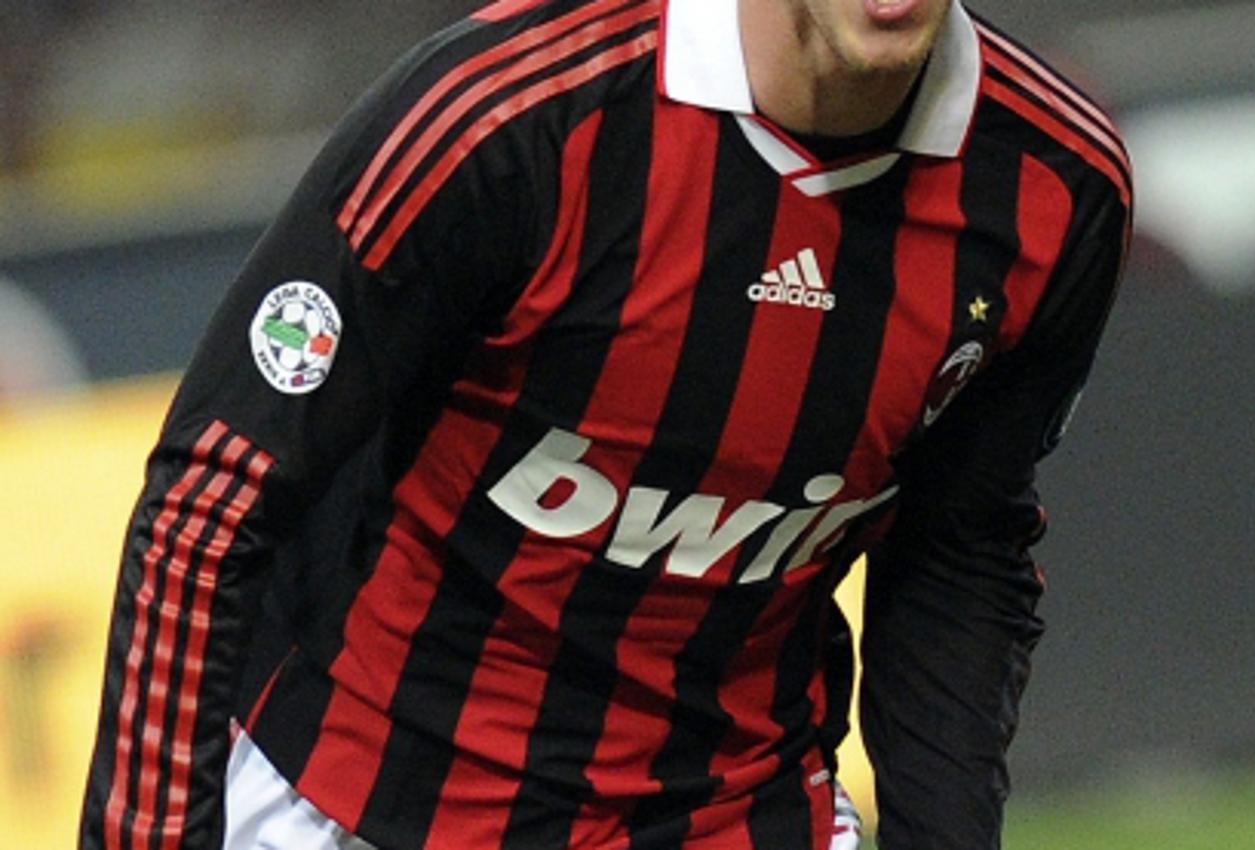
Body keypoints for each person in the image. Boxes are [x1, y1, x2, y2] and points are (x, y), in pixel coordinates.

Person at [80, 0, 1132, 848]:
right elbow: (215, 497)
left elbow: (960, 554)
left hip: (736, 813)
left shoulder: (1052, 188)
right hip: (357, 801)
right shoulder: (509, 121)